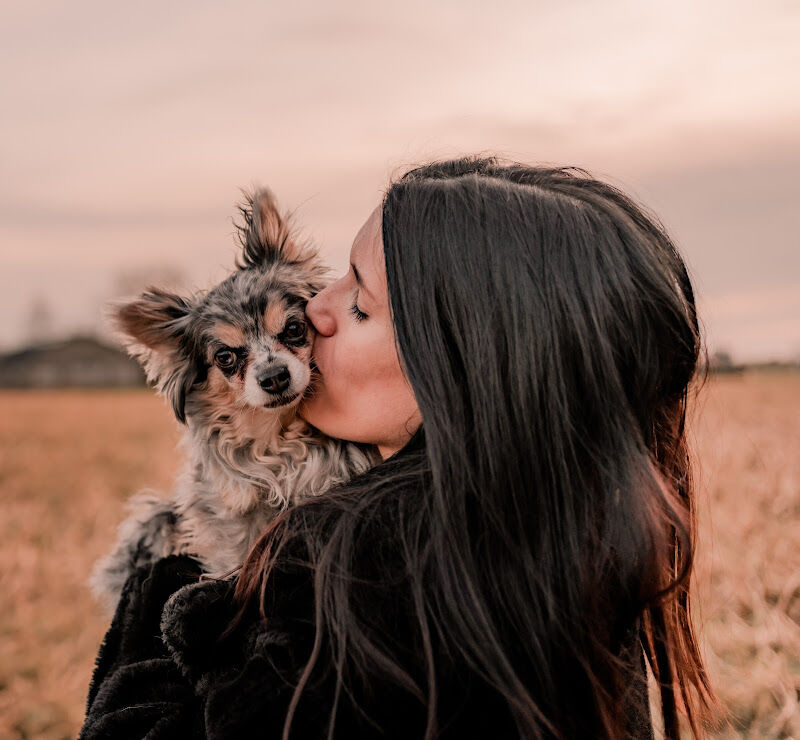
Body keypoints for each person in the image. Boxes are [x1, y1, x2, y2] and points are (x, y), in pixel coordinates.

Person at [80, 157, 713, 739]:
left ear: (461, 361)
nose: (318, 307)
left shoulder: (359, 591)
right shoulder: (579, 546)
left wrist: (158, 589)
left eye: (358, 302)